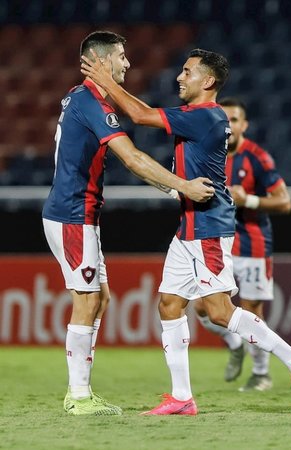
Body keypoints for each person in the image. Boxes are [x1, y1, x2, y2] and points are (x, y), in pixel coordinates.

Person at [81, 48, 291, 415]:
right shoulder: (203, 116)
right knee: (170, 304)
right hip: (190, 225)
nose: (179, 77)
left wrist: (106, 81)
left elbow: (140, 114)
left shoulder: (205, 116)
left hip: (207, 226)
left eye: (187, 71)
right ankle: (182, 397)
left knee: (221, 311)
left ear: (207, 81)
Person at [42, 31, 215, 416]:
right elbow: (132, 159)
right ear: (101, 61)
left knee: (100, 298)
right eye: (121, 56)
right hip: (73, 215)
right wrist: (181, 185)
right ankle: (78, 396)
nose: (128, 63)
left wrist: (172, 192)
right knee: (87, 300)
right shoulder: (90, 102)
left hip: (80, 215)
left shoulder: (82, 96)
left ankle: (83, 391)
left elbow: (130, 160)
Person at [193, 97, 291, 392]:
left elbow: (285, 202)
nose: (229, 125)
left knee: (251, 310)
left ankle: (261, 373)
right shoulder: (208, 153)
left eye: (235, 120)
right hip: (216, 241)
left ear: (244, 125)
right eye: (224, 119)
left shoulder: (257, 158)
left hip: (252, 244)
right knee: (201, 307)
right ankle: (234, 343)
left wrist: (247, 199)